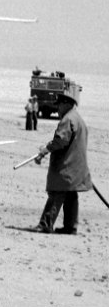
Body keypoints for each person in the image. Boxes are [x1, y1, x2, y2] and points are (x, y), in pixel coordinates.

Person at [35, 94, 91, 234]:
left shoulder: (68, 119)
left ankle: (45, 224)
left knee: (57, 193)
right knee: (71, 195)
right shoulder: (78, 119)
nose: (57, 108)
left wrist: (46, 149)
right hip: (76, 166)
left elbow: (61, 141)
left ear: (66, 103)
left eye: (59, 105)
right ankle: (70, 227)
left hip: (66, 165)